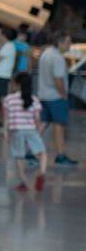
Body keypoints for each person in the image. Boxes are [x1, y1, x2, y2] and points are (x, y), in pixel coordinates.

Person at [3, 71, 48, 192]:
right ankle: (41, 174)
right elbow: (37, 118)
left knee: (19, 156)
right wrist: (37, 130)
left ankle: (23, 182)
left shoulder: (9, 99)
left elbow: (7, 118)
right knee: (42, 154)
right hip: (31, 130)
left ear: (17, 84)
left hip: (16, 131)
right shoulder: (33, 99)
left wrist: (6, 132)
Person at [36, 31, 74, 166]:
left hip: (43, 95)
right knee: (59, 125)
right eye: (68, 42)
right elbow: (58, 79)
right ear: (61, 43)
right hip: (56, 97)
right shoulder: (58, 58)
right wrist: (64, 94)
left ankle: (30, 151)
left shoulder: (46, 53)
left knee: (44, 122)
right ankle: (60, 155)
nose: (70, 45)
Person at [0, 28, 17, 128]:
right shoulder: (3, 46)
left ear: (4, 35)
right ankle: (1, 121)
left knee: (2, 101)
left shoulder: (8, 47)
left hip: (2, 76)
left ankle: (6, 122)